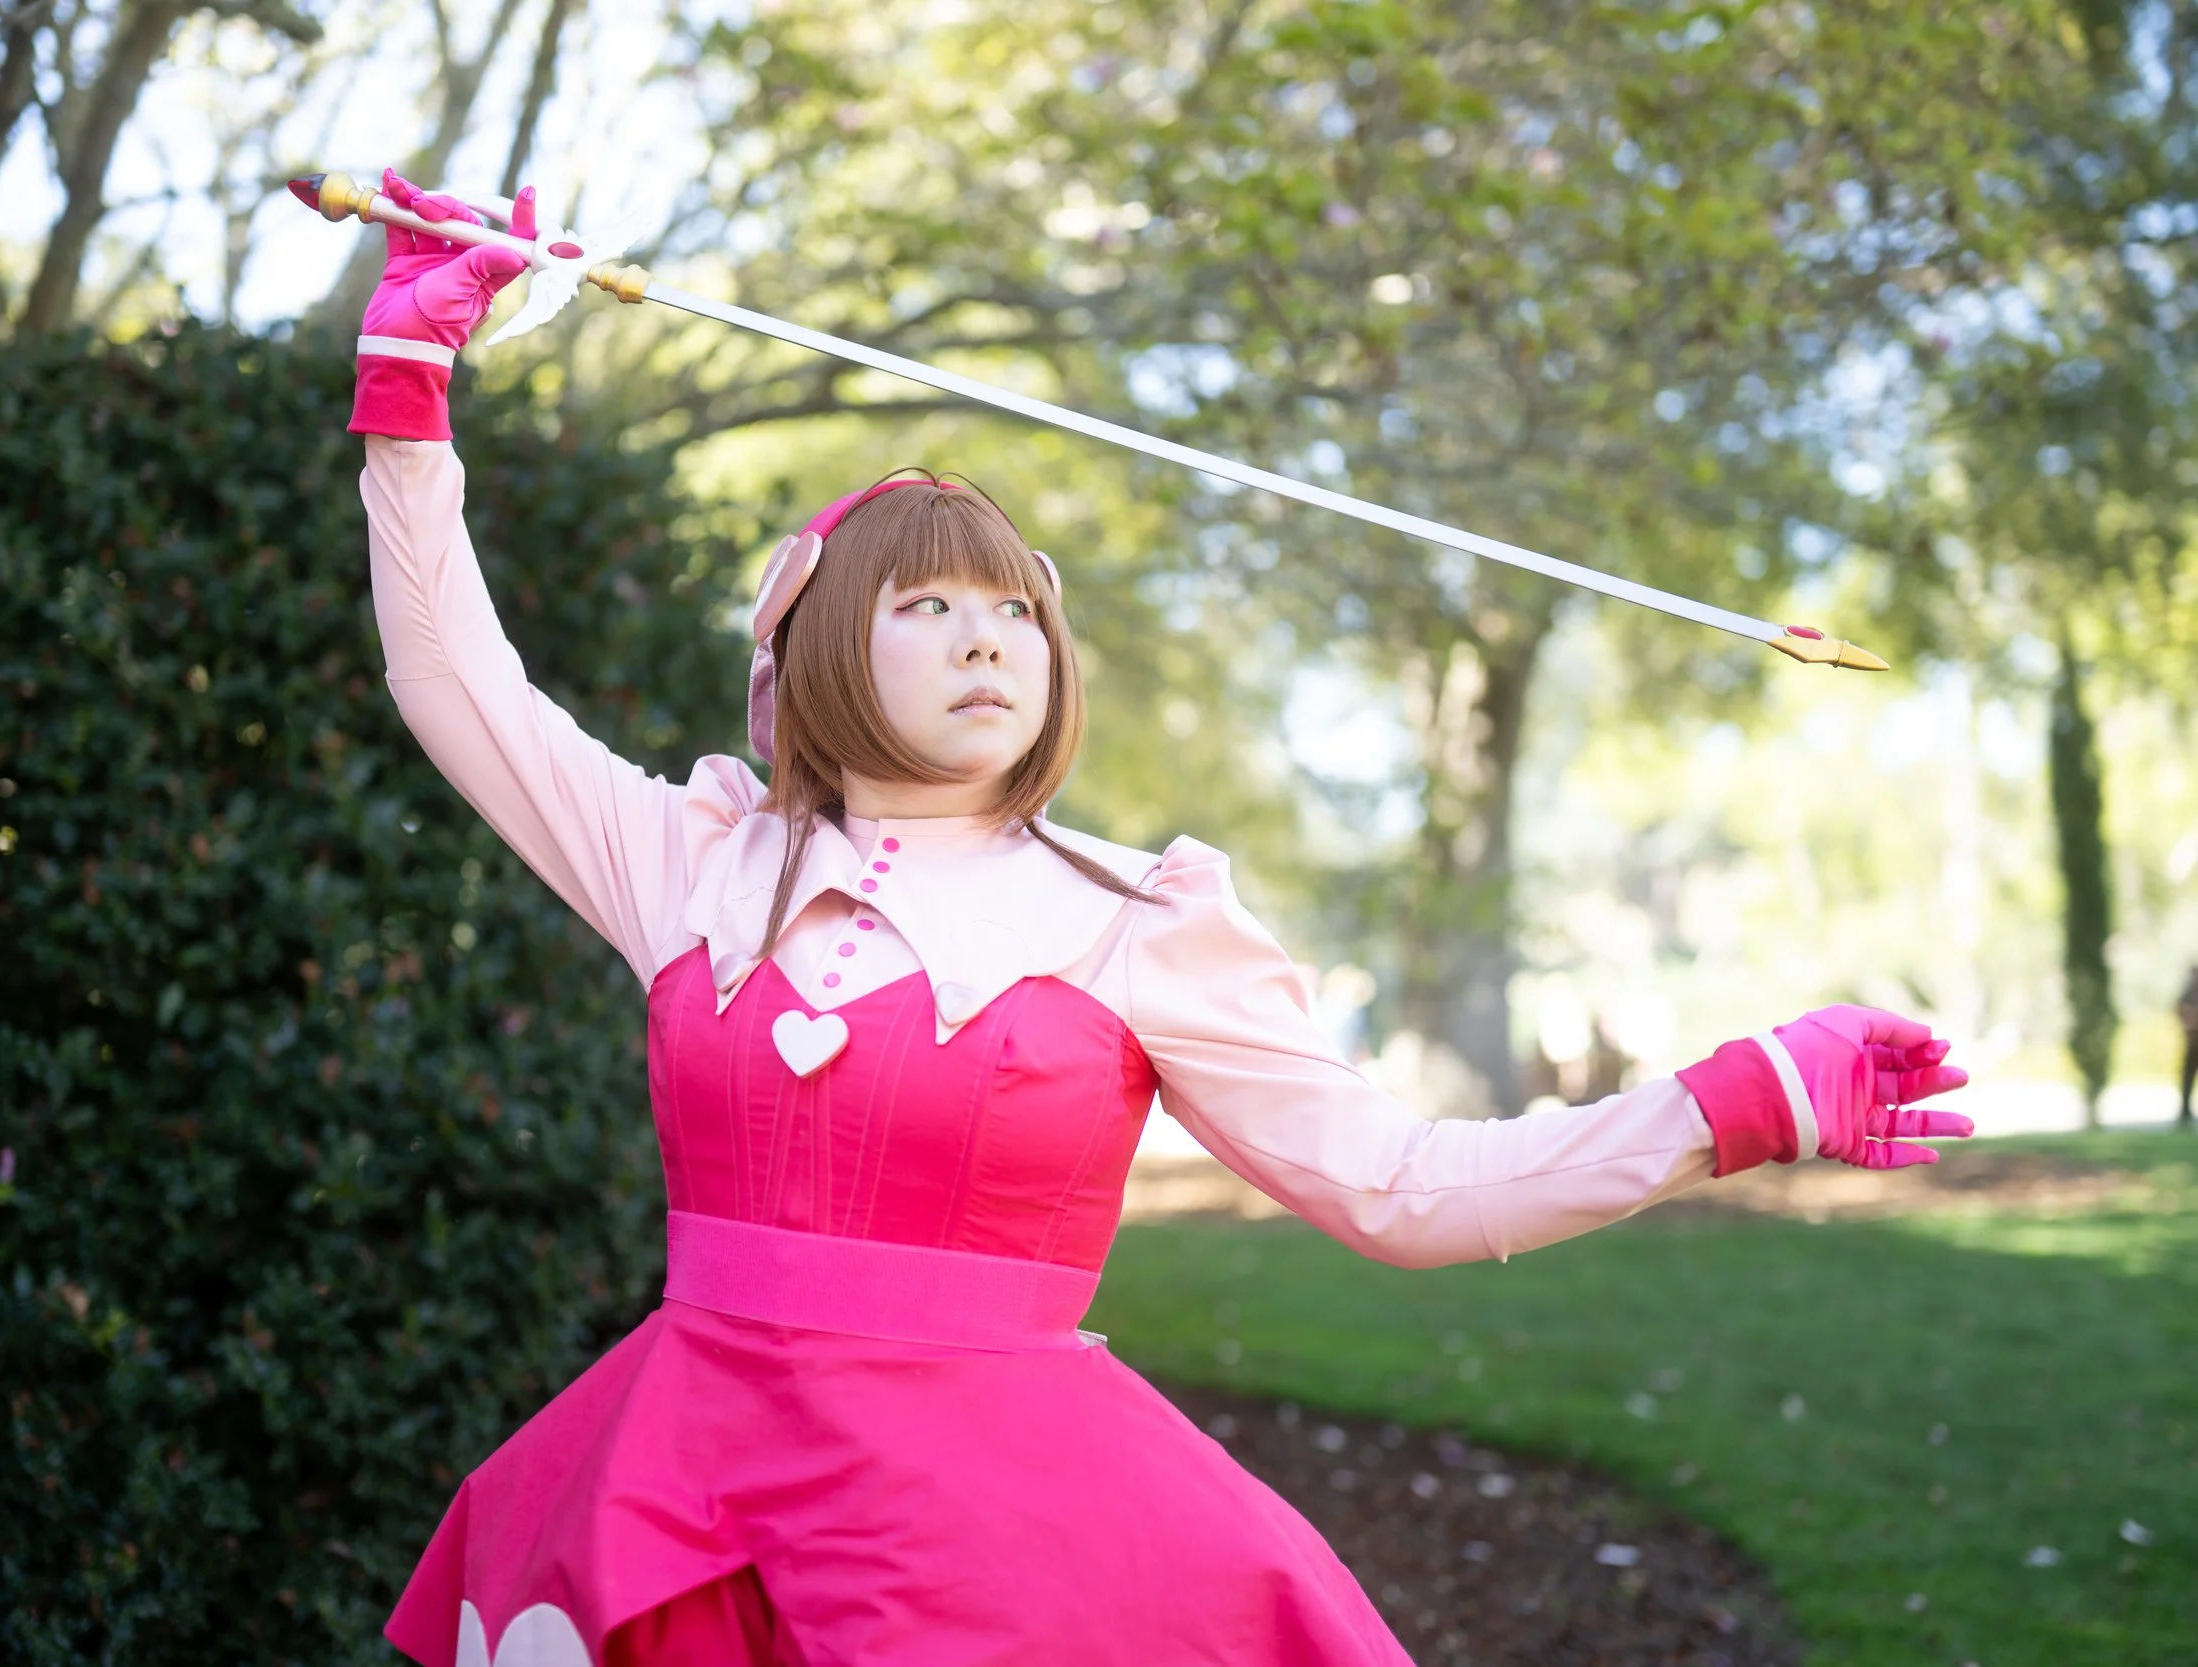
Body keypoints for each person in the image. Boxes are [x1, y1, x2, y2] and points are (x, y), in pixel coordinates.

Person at [347, 172, 1976, 1667]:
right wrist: (409, 382)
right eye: (925, 606)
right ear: (819, 656)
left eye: (1017, 613)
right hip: (681, 1502)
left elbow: (1403, 1189)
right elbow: (454, 681)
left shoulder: (1138, 917)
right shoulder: (700, 869)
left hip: (1001, 1550)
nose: (990, 641)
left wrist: (1734, 1100)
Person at [2178, 965, 2198, 1130]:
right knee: (2187, 1076)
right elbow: (2179, 1011)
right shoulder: (2186, 995)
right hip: (2192, 1041)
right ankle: (2185, 1110)